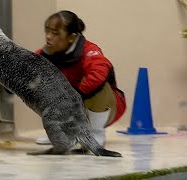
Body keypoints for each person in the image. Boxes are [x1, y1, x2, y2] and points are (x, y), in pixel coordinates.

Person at [35, 10, 126, 146]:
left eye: (55, 33)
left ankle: (96, 133)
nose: (48, 37)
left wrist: (75, 95)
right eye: (47, 31)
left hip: (106, 108)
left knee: (97, 82)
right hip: (75, 108)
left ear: (71, 37)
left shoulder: (89, 50)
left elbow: (99, 72)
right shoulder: (43, 54)